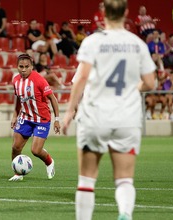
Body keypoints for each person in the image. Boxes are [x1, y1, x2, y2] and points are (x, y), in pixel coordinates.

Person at [62, 0, 156, 219]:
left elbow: (82, 77)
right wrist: (135, 88)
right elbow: (151, 83)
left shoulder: (92, 42)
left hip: (96, 117)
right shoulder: (137, 44)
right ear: (127, 13)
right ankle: (124, 212)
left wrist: (69, 111)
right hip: (126, 118)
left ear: (103, 12)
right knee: (124, 179)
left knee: (86, 179)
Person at [9, 53, 60, 181]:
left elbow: (53, 99)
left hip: (41, 119)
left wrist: (57, 120)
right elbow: (18, 100)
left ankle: (49, 162)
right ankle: (18, 173)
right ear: (17, 67)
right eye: (21, 66)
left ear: (32, 67)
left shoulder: (39, 80)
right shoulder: (15, 80)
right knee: (16, 147)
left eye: (27, 66)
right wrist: (15, 115)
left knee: (36, 151)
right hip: (25, 117)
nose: (24, 69)